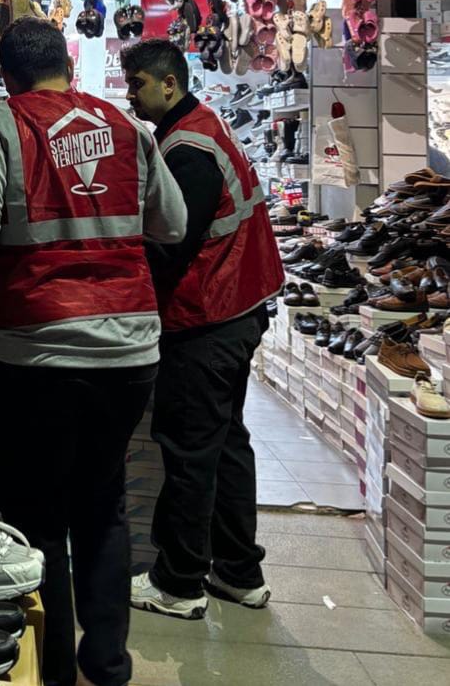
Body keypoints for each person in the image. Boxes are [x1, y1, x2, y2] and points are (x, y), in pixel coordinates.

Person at [0, 19, 187, 686]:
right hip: (129, 353)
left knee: (34, 516)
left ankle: (47, 670)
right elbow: (173, 223)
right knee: (102, 506)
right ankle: (106, 666)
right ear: (68, 67)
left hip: (37, 352)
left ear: (7, 77)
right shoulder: (128, 129)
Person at [121, 39, 284, 619]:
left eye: (137, 84)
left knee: (189, 446)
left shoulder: (187, 148)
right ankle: (239, 572)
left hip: (209, 315)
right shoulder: (200, 126)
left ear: (169, 84)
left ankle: (179, 582)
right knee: (225, 442)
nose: (131, 94)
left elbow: (172, 242)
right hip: (237, 309)